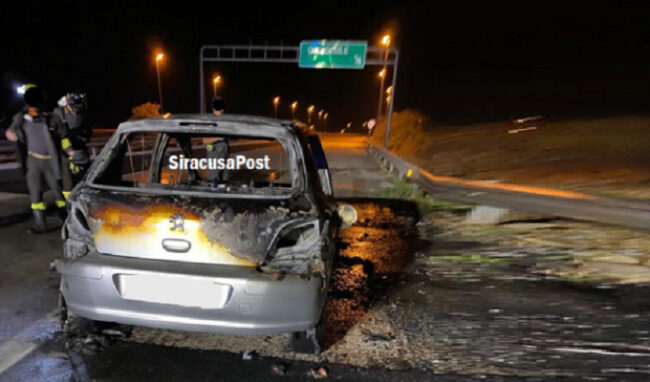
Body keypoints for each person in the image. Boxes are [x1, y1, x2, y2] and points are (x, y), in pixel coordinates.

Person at [5, 85, 70, 234]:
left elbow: (64, 136)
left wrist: (69, 151)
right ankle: (40, 224)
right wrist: (11, 134)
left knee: (58, 192)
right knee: (35, 194)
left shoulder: (52, 118)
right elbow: (10, 131)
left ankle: (65, 219)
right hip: (32, 160)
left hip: (51, 161)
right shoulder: (21, 117)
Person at [53, 93, 90, 198]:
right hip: (65, 149)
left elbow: (87, 132)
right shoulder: (59, 114)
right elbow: (59, 135)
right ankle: (68, 203)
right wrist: (69, 150)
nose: (76, 110)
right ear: (67, 105)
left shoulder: (82, 114)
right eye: (73, 107)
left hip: (79, 146)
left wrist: (84, 137)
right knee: (67, 179)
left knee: (84, 174)